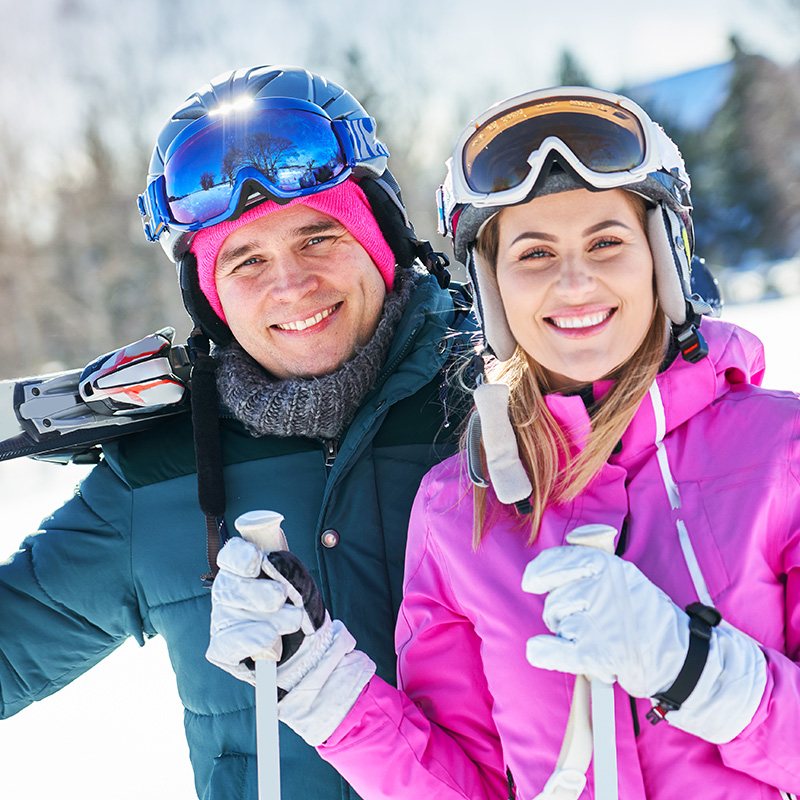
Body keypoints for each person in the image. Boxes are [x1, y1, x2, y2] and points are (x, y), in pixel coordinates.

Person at [206, 86, 800, 800]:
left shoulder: (779, 452)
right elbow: (467, 785)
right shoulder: (458, 509)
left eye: (606, 242)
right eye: (534, 252)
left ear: (660, 260)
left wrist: (700, 672)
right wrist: (316, 681)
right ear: (492, 291)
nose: (573, 281)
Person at [0, 64, 474, 800]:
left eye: (318, 237)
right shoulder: (160, 472)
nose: (290, 285)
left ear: (381, 237)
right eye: (246, 260)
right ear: (210, 295)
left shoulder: (507, 401)